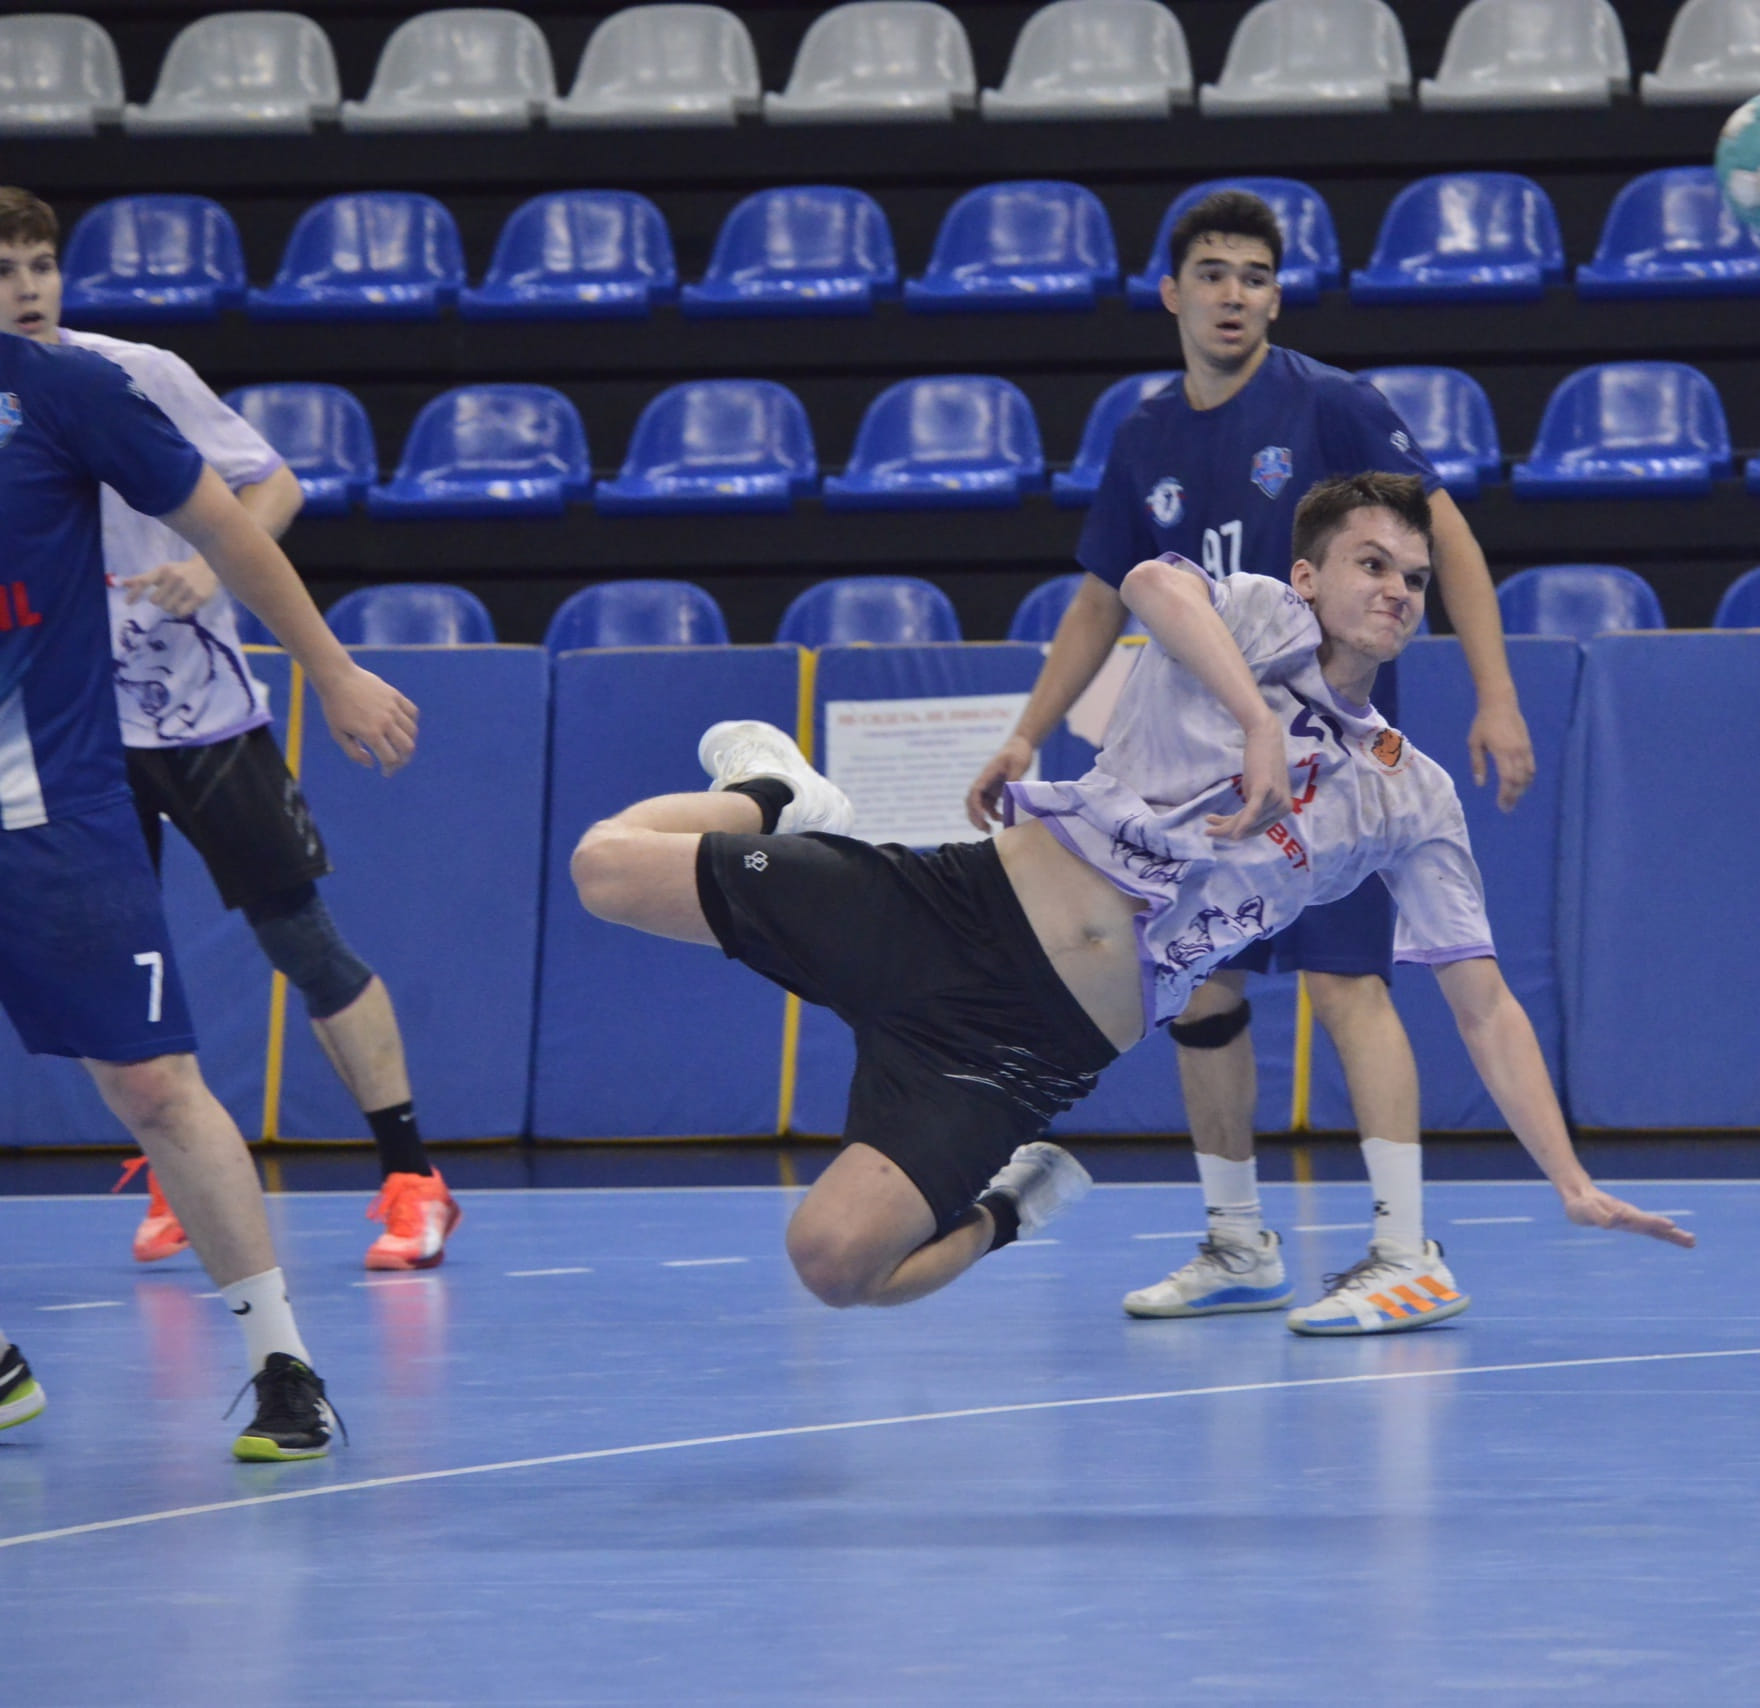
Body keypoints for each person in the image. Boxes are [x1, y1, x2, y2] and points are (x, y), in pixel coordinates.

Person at [573, 473, 1690, 1318]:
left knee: (836, 1267)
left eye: (1414, 576)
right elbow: (1150, 582)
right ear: (1308, 578)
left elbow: (1483, 1004)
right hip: (954, 909)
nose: (1397, 590)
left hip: (1028, 1045)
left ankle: (1013, 1204)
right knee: (605, 867)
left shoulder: (1412, 794)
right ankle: (780, 795)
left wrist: (1570, 1180)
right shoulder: (1254, 618)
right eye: (1371, 563)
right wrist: (1255, 720)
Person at [963, 190, 1538, 1333]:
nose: (1234, 294)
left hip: (1330, 760)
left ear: (1277, 298)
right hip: (1198, 776)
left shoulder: (1331, 404)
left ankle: (1403, 1249)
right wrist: (1027, 729)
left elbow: (1448, 538)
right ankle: (1237, 1241)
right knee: (1203, 987)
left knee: (1346, 982)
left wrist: (1496, 694)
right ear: (1171, 293)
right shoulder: (1143, 437)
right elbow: (1102, 598)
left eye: (1256, 276)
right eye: (1213, 273)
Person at [0, 267, 418, 1459]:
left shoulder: (64, 391)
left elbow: (232, 519)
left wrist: (332, 668)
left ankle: (283, 1365)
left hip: (49, 807)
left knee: (152, 1086)